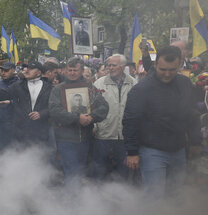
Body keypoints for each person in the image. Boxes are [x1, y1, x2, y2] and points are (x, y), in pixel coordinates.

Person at [123, 46, 202, 195]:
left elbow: (192, 114)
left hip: (178, 149)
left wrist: (196, 142)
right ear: (155, 65)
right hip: (152, 151)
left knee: (176, 194)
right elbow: (130, 121)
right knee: (154, 195)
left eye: (172, 70)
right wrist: (132, 152)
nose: (167, 74)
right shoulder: (141, 89)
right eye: (163, 69)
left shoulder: (185, 83)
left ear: (179, 66)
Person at [49, 57, 109, 187]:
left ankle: (80, 201)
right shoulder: (58, 89)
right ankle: (72, 203)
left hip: (86, 140)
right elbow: (55, 111)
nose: (72, 73)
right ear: (65, 71)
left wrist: (91, 117)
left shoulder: (90, 88)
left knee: (82, 173)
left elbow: (104, 107)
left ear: (81, 71)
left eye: (75, 70)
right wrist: (77, 118)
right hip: (66, 140)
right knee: (72, 173)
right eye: (69, 70)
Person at [92, 54, 136, 181]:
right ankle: (96, 196)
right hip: (103, 135)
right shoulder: (99, 84)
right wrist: (95, 126)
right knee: (99, 171)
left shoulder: (133, 83)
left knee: (123, 173)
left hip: (124, 136)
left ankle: (120, 198)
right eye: (108, 65)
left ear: (123, 67)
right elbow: (92, 107)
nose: (110, 68)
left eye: (113, 65)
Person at [2, 61, 53, 145]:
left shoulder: (48, 87)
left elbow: (52, 107)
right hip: (21, 132)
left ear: (39, 73)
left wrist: (41, 114)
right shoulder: (18, 85)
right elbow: (3, 95)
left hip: (41, 131)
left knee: (40, 157)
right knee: (22, 157)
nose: (26, 71)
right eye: (26, 69)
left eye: (31, 69)